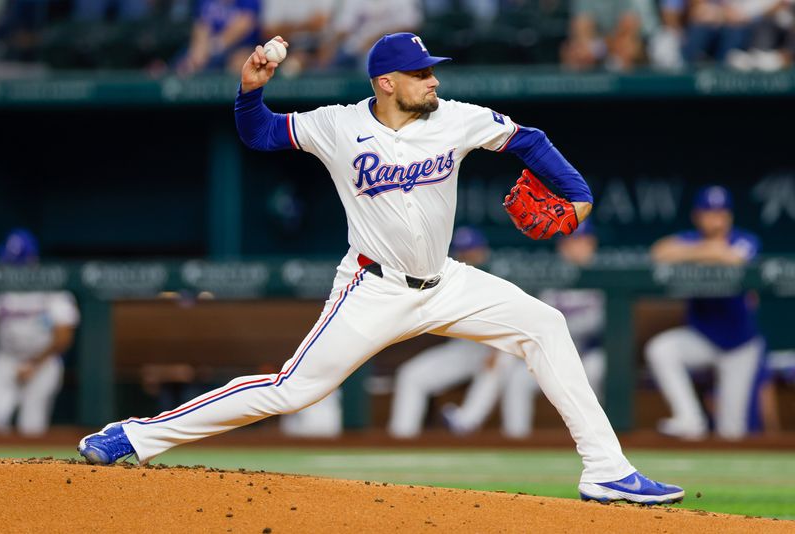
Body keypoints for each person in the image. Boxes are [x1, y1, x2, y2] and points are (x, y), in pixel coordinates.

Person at [79, 32, 684, 505]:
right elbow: (260, 135)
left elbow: (529, 140)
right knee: (292, 390)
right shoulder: (339, 124)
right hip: (373, 287)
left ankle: (607, 471)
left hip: (447, 281)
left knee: (545, 325)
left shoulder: (455, 118)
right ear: (386, 81)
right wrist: (250, 90)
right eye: (421, 73)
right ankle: (133, 436)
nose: (433, 80)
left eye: (433, 70)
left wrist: (576, 195)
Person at [441, 221, 607, 438]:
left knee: (594, 370)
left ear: (592, 243)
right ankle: (514, 439)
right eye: (569, 242)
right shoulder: (553, 275)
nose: (574, 247)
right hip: (553, 350)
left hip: (589, 352)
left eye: (580, 241)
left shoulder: (604, 273)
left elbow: (604, 324)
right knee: (514, 372)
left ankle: (598, 436)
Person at [645, 185, 765, 441]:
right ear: (698, 216)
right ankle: (690, 419)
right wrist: (706, 251)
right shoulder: (692, 239)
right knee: (662, 349)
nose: (716, 219)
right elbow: (659, 252)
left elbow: (735, 258)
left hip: (739, 344)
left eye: (721, 213)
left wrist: (695, 255)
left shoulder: (745, 239)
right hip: (702, 337)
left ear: (729, 216)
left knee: (731, 432)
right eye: (710, 213)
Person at [387, 226, 517, 439]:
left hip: (500, 346)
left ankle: (466, 422)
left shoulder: (500, 274)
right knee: (411, 375)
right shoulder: (448, 276)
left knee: (503, 359)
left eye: (473, 251)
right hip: (465, 348)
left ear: (484, 250)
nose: (469, 256)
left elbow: (515, 321)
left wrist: (497, 346)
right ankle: (401, 438)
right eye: (464, 252)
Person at [0, 229, 80, 436]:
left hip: (44, 360)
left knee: (32, 424)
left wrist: (34, 363)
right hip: (8, 358)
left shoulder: (51, 286)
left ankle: (35, 469)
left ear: (31, 261)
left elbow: (64, 334)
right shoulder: (1, 285)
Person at [560, 0, 659, 71]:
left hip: (618, 41)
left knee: (629, 47)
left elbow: (628, 25)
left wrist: (602, 47)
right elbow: (582, 26)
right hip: (595, 43)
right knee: (575, 53)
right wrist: (591, 47)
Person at [176, 0, 260, 76]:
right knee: (184, 66)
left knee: (240, 65)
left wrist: (212, 47)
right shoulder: (204, 2)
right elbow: (201, 24)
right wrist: (199, 48)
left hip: (239, 47)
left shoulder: (249, 2)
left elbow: (244, 24)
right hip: (209, 47)